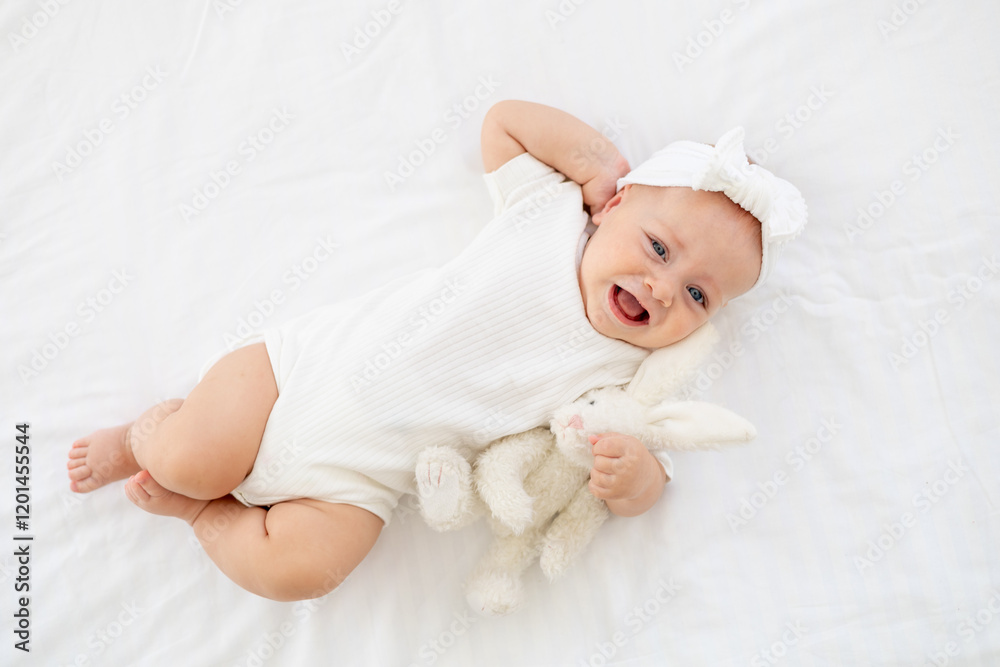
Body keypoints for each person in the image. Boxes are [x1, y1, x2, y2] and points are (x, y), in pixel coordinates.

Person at [66, 100, 806, 601]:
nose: (662, 288)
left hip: (360, 479)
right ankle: (141, 439)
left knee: (303, 572)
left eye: (700, 294)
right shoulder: (547, 215)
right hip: (295, 377)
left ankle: (206, 519)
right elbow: (504, 122)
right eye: (657, 247)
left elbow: (655, 447)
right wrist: (595, 164)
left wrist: (637, 478)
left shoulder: (631, 370)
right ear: (613, 206)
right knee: (189, 457)